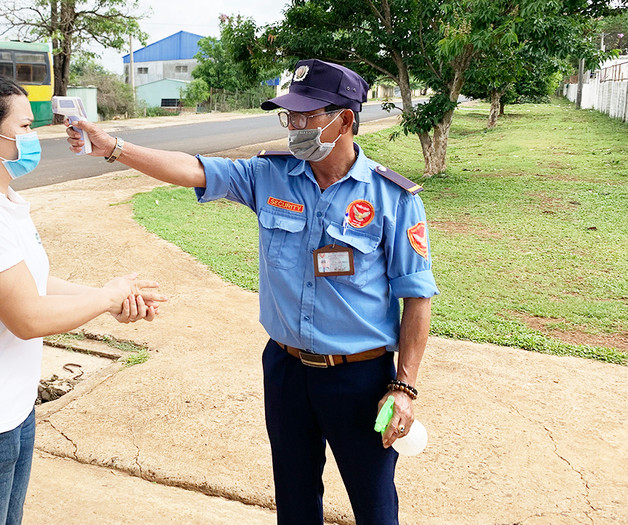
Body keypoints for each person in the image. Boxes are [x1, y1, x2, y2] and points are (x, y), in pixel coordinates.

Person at [65, 59, 439, 524]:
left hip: (360, 378)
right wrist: (115, 147)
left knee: (374, 505)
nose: (295, 127)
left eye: (306, 117)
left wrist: (403, 387)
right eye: (290, 117)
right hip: (286, 370)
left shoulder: (393, 197)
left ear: (344, 120)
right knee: (294, 500)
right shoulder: (269, 175)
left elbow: (416, 297)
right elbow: (192, 168)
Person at [0, 72, 165, 525]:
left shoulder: (2, 202)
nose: (35, 137)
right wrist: (106, 299)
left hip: (11, 412)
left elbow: (36, 282)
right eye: (26, 126)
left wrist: (111, 297)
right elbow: (28, 317)